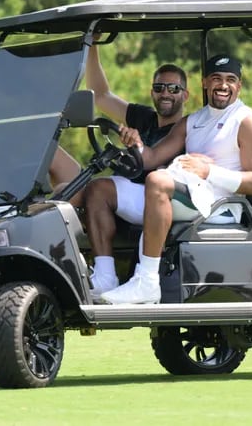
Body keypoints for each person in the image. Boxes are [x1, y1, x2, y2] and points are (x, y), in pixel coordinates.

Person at [95, 54, 252, 304]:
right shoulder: (193, 121)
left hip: (219, 205)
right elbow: (152, 157)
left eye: (231, 80)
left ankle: (147, 282)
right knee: (100, 189)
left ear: (239, 86)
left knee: (157, 182)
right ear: (205, 83)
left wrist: (208, 171)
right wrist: (136, 144)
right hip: (189, 192)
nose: (223, 85)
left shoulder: (247, 121)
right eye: (216, 79)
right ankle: (104, 278)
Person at [70, 42, 189, 298]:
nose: (165, 93)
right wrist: (92, 47)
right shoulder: (143, 117)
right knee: (66, 193)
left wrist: (137, 144)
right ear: (152, 92)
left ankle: (105, 277)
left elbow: (155, 161)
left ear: (185, 95)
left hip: (159, 200)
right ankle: (69, 265)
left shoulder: (185, 130)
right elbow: (101, 95)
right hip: (132, 192)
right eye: (159, 88)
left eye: (173, 88)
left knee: (99, 189)